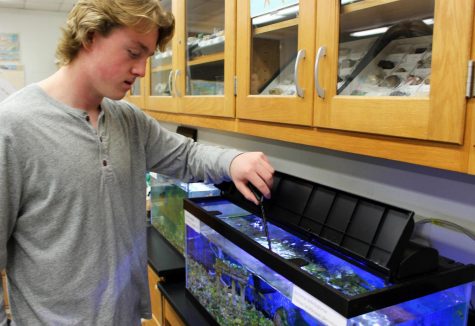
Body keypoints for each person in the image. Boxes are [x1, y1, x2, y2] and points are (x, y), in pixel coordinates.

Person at [0, 0, 274, 324]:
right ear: (89, 37)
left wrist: (234, 160)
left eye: (148, 57)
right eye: (133, 52)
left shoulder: (128, 119)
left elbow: (186, 154)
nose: (142, 70)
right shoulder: (12, 128)